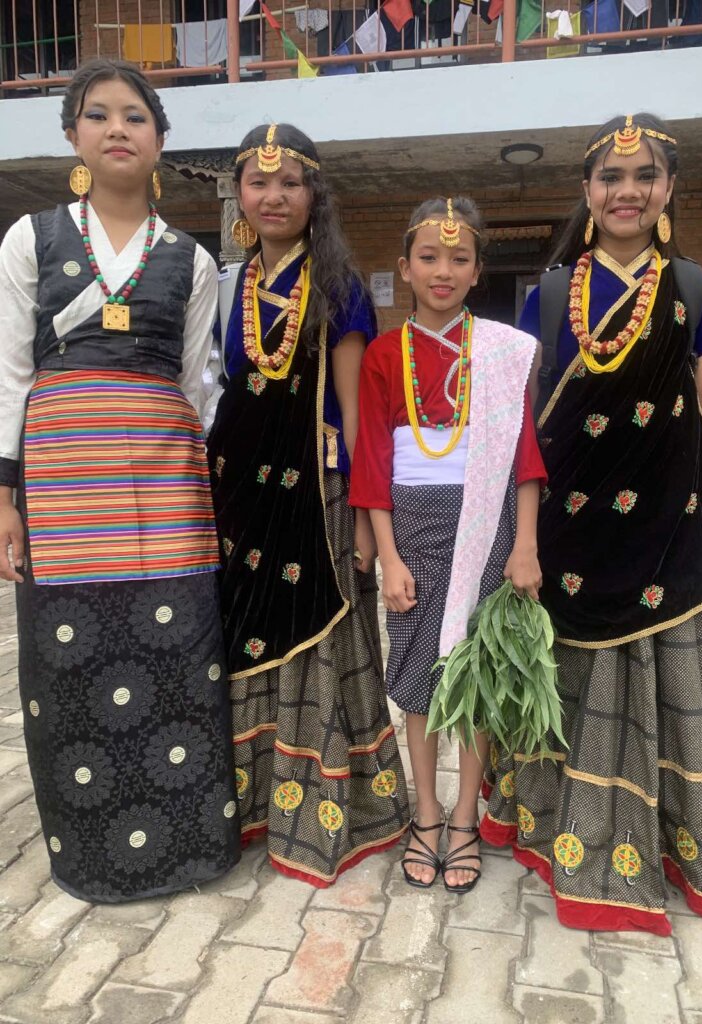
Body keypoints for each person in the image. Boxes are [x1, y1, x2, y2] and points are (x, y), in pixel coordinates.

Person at [481, 114, 702, 934]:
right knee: (570, 686)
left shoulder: (697, 290)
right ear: (587, 190)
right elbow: (531, 430)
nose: (628, 191)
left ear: (669, 189)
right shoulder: (543, 294)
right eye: (612, 176)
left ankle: (673, 845)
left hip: (669, 530)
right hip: (569, 533)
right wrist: (522, 539)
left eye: (645, 176)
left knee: (673, 687)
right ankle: (556, 829)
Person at [0, 58, 241, 902]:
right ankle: (94, 854)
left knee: (178, 650)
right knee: (71, 661)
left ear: (160, 139)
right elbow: (10, 374)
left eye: (134, 117)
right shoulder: (31, 238)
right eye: (98, 115)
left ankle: (190, 845)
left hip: (167, 482)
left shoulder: (192, 258)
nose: (117, 129)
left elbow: (197, 386)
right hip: (65, 485)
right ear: (74, 136)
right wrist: (6, 497)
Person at [206, 123, 409, 887]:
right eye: (258, 183)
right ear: (239, 196)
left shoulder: (341, 288)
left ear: (314, 195)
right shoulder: (227, 284)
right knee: (243, 636)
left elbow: (356, 414)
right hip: (239, 495)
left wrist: (362, 513)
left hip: (316, 495)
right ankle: (250, 804)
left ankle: (322, 812)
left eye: (290, 181)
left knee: (321, 637)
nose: (273, 195)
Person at [350, 197, 546, 893]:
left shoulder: (502, 351)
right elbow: (371, 461)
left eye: (458, 258)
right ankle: (426, 811)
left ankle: (468, 813)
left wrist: (524, 543)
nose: (443, 270)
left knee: (479, 674)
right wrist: (388, 557)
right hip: (412, 527)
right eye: (429, 257)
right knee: (419, 676)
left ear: (478, 270)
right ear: (404, 267)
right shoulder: (382, 354)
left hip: (488, 523)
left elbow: (524, 453)